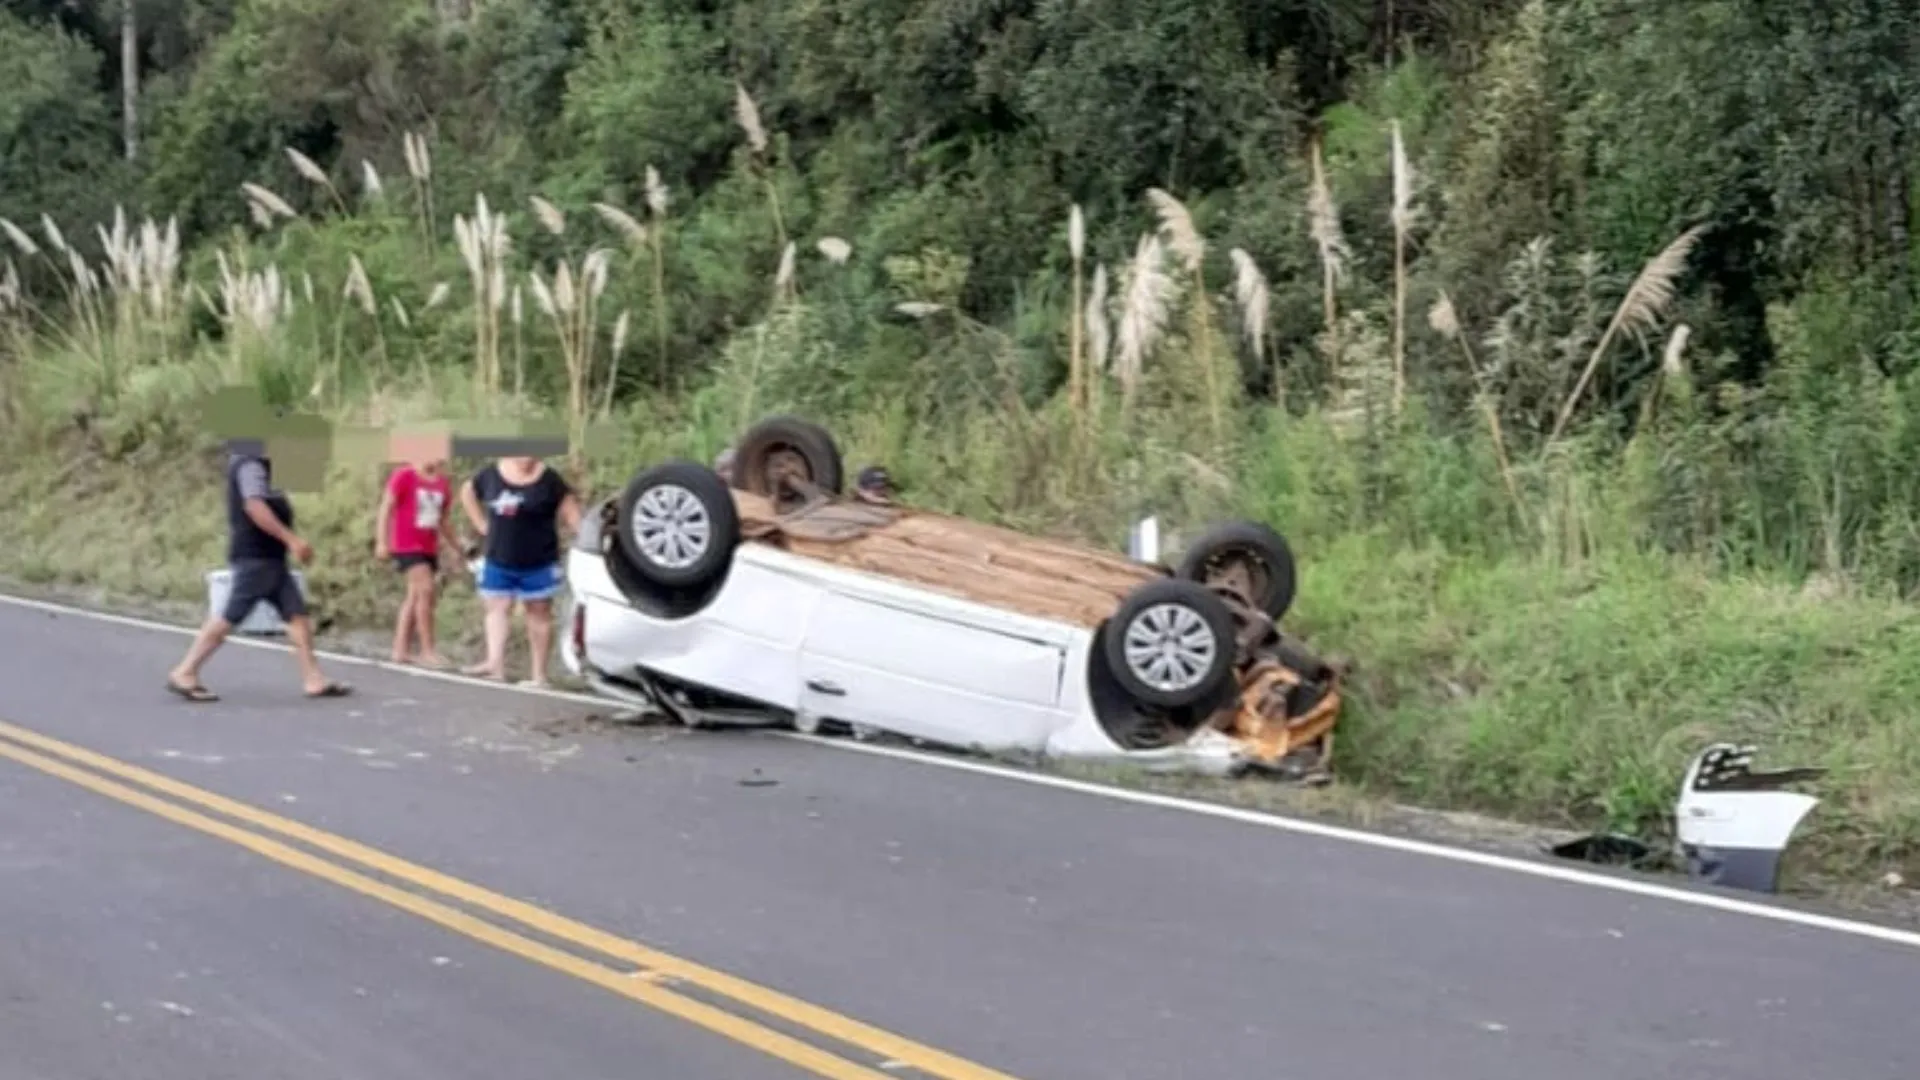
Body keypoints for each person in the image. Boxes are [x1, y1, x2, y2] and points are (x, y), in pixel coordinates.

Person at [166, 444, 352, 702]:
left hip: (271, 558)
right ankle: (185, 670)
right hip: (256, 557)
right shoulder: (250, 465)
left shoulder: (264, 467)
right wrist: (291, 540)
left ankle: (313, 678)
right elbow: (254, 507)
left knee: (297, 616)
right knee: (230, 616)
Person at [459, 455, 583, 686]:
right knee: (497, 607)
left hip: (539, 560)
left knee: (538, 613)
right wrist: (481, 524)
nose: (525, 459)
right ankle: (494, 664)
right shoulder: (490, 475)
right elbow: (467, 492)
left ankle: (539, 675)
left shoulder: (550, 480)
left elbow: (571, 513)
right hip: (499, 556)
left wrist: (586, 538)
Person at [375, 449, 456, 668]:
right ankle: (427, 651)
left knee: (414, 597)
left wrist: (456, 547)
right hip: (406, 544)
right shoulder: (405, 476)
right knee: (426, 591)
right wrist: (382, 541)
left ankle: (400, 649)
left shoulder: (442, 483)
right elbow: (386, 508)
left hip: (428, 545)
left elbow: (443, 520)